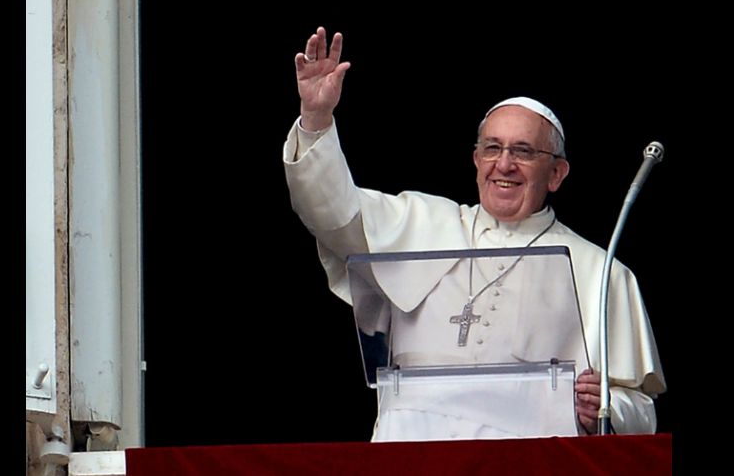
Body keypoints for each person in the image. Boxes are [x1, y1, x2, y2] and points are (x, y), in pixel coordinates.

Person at [283, 27, 665, 441]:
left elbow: (640, 412)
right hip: (411, 454)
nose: (504, 164)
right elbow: (333, 213)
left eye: (523, 151)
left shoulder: (600, 272)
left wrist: (604, 408)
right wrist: (317, 120)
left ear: (556, 173)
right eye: (492, 148)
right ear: (476, 159)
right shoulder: (424, 223)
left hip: (528, 463)